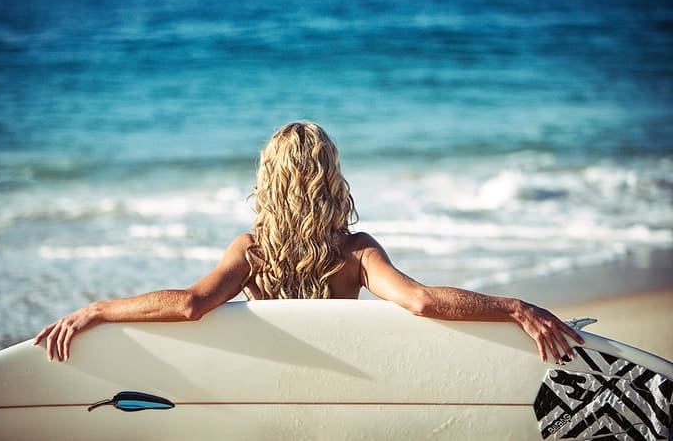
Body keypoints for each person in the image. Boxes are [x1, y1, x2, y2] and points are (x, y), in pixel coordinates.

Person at [34, 121, 583, 363]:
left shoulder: (252, 251)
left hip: (271, 381)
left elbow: (190, 304)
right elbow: (419, 300)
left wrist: (100, 310)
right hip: (347, 377)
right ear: (332, 177)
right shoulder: (356, 252)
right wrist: (513, 307)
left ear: (269, 181)